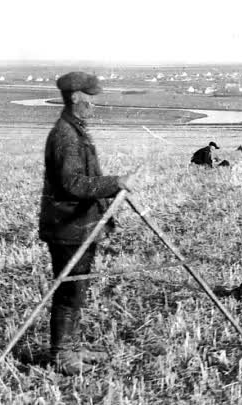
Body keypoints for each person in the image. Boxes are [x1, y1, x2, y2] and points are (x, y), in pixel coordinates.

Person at [38, 71, 138, 374]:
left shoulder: (75, 130)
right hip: (68, 227)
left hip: (79, 225)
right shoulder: (66, 136)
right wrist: (114, 182)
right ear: (76, 98)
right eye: (90, 99)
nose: (94, 105)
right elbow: (72, 184)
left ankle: (72, 347)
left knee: (77, 289)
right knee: (68, 291)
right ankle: (61, 354)